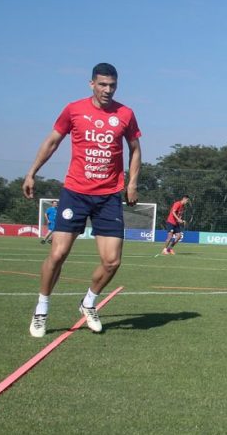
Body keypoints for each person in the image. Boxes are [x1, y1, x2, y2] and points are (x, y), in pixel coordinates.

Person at [23, 63, 141, 338]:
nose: (107, 90)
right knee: (58, 254)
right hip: (75, 192)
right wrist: (31, 173)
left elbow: (135, 149)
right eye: (102, 84)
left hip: (109, 195)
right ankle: (41, 309)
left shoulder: (125, 114)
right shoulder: (74, 109)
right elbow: (52, 141)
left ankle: (88, 302)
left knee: (112, 262)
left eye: (112, 85)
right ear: (91, 84)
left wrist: (132, 182)